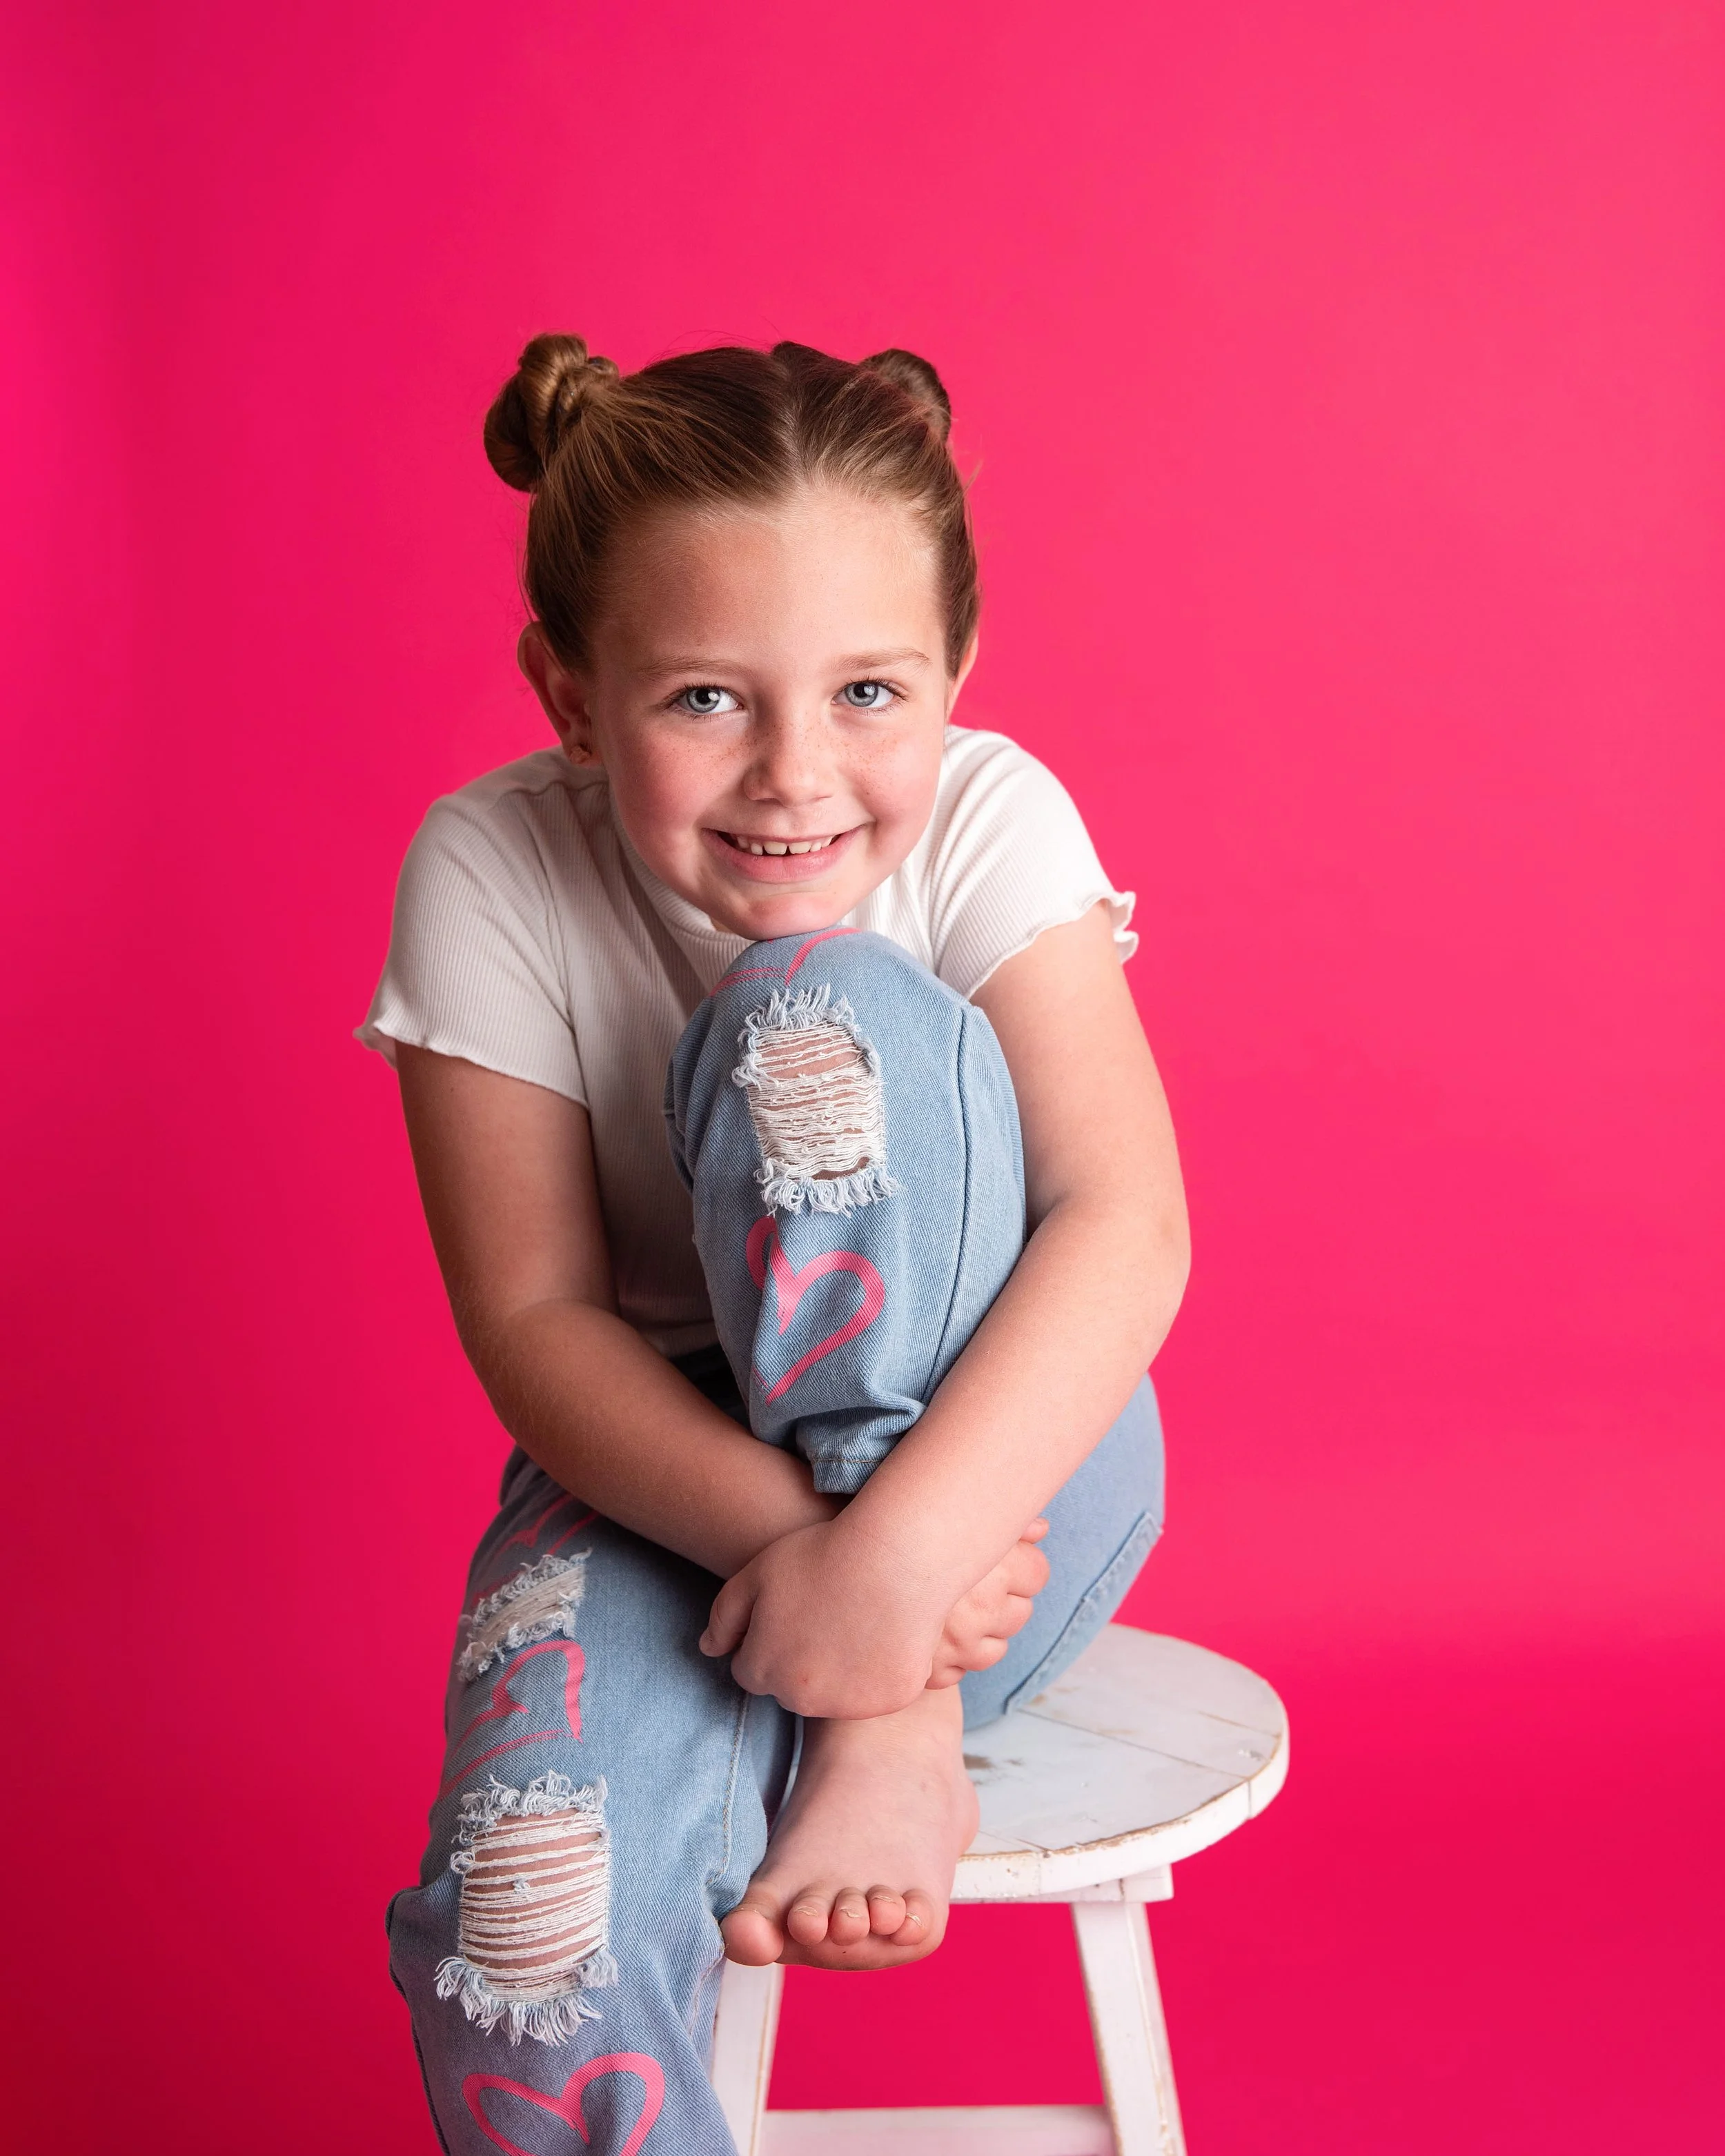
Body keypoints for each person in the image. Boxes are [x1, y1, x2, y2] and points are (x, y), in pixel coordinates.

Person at [359, 335, 1190, 2155]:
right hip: (667, 1483)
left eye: (871, 690)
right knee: (526, 1914)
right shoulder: (486, 865)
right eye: (704, 699)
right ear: (569, 694)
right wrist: (797, 1552)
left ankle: (899, 1730)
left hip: (1003, 1455)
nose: (797, 774)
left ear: (956, 675)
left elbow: (1125, 1227)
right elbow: (535, 1315)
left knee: (812, 1008)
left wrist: (897, 1577)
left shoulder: (987, 816)